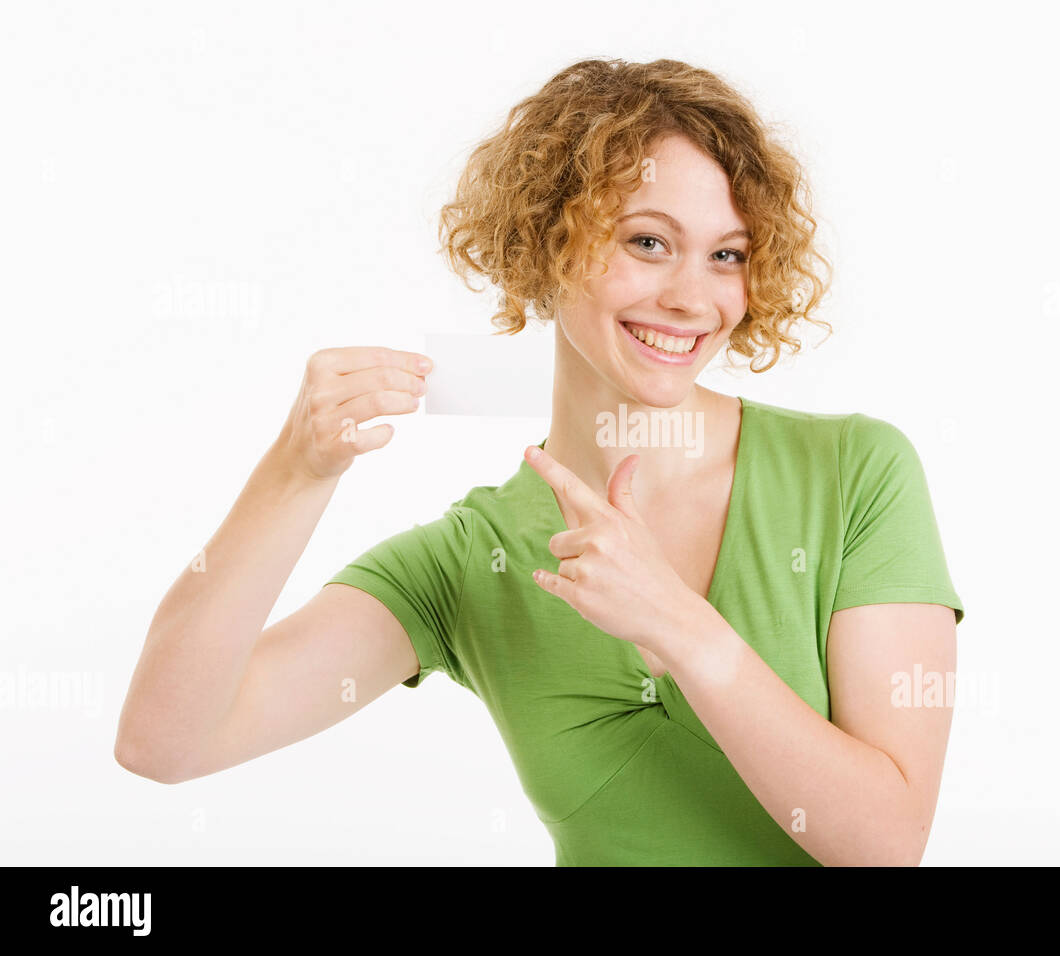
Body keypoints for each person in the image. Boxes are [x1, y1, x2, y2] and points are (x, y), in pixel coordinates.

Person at [115, 57, 965, 866]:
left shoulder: (855, 472)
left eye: (727, 254)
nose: (692, 297)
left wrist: (677, 623)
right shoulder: (467, 561)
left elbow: (885, 843)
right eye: (647, 242)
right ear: (544, 243)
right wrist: (295, 473)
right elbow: (165, 741)